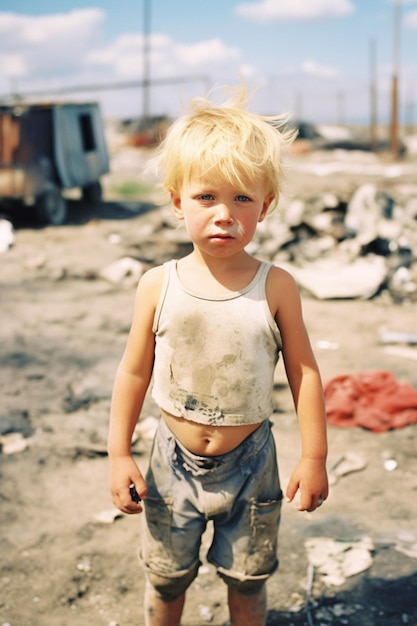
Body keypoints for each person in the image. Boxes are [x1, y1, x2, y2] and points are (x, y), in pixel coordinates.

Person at [108, 84, 329, 626]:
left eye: (242, 199)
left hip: (253, 462)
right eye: (207, 197)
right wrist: (118, 453)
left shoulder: (276, 286)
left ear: (267, 205)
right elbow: (134, 371)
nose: (224, 215)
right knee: (165, 577)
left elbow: (304, 374)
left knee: (249, 582)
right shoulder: (157, 285)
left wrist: (314, 456)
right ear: (177, 199)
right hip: (171, 463)